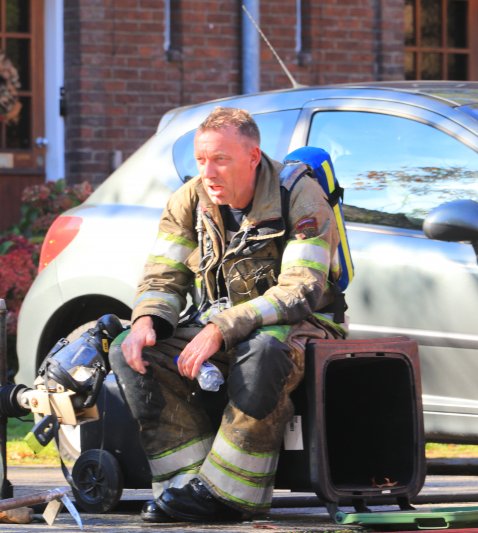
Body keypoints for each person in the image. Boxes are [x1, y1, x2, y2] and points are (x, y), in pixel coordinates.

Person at [108, 106, 347, 523]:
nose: (209, 172)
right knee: (132, 353)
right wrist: (147, 319)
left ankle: (233, 495)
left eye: (221, 159)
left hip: (305, 328)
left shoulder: (302, 196)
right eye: (201, 160)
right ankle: (185, 488)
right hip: (224, 325)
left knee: (264, 351)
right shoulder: (189, 199)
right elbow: (164, 274)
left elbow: (301, 290)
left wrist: (223, 328)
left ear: (253, 157)